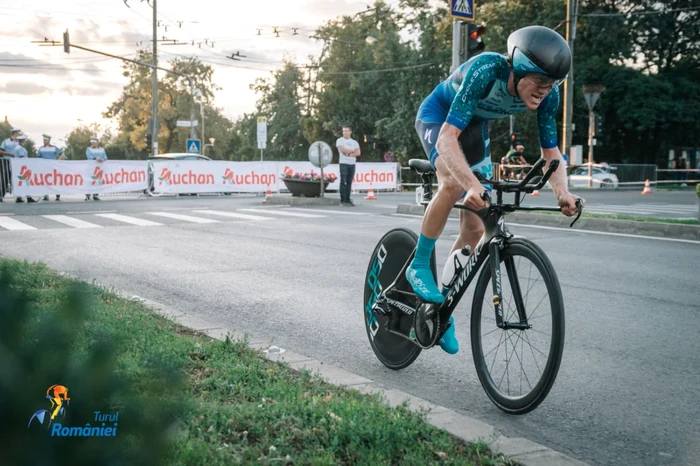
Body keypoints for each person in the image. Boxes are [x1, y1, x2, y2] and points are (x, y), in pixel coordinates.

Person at [409, 25, 585, 354]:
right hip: (440, 119)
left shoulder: (549, 95)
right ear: (519, 68)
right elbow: (448, 137)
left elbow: (551, 154)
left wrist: (562, 192)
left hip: (474, 128)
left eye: (552, 84)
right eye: (540, 82)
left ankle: (439, 312)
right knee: (451, 183)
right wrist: (470, 184)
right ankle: (418, 264)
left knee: (476, 226)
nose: (545, 91)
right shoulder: (486, 70)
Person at [336, 125, 360, 206]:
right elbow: (343, 151)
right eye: (343, 131)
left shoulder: (354, 142)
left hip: (352, 163)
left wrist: (349, 154)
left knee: (349, 182)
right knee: (343, 181)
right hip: (343, 163)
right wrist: (352, 150)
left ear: (350, 132)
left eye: (346, 131)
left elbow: (358, 153)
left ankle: (348, 199)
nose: (345, 133)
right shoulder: (340, 141)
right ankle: (343, 200)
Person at [37, 134, 65, 201]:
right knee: (45, 180)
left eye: (46, 140)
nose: (44, 141)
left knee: (55, 180)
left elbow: (62, 154)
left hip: (52, 167)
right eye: (43, 140)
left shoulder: (54, 148)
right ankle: (46, 195)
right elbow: (38, 157)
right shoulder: (41, 148)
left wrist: (57, 161)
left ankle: (57, 194)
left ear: (49, 140)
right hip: (44, 167)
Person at [13, 135, 38, 203]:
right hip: (23, 168)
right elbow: (22, 158)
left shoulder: (16, 148)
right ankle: (29, 197)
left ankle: (18, 197)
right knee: (27, 183)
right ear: (23, 141)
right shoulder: (20, 148)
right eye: (24, 141)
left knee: (20, 183)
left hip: (19, 168)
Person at [0, 127, 22, 202]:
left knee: (18, 179)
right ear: (14, 133)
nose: (19, 134)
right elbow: (0, 151)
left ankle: (19, 197)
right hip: (7, 162)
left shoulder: (19, 142)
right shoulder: (6, 141)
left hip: (17, 163)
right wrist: (8, 154)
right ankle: (1, 196)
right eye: (18, 133)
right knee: (5, 179)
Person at [85, 136, 107, 201]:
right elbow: (89, 156)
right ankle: (88, 195)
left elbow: (105, 156)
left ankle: (95, 195)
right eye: (92, 142)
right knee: (90, 180)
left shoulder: (102, 149)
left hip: (100, 167)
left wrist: (102, 159)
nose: (93, 144)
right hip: (91, 167)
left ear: (97, 142)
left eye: (94, 142)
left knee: (98, 180)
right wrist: (95, 158)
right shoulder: (88, 149)